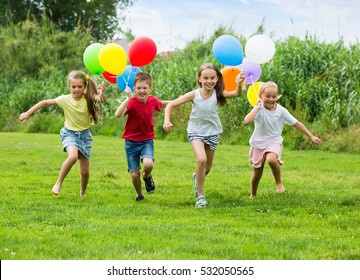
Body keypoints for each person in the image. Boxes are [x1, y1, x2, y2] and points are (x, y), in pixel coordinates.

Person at [163, 63, 246, 208]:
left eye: (212, 78)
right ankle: (201, 196)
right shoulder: (194, 94)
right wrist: (167, 121)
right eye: (205, 78)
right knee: (201, 159)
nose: (209, 81)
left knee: (206, 168)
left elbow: (236, 94)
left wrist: (238, 84)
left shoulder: (218, 94)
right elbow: (170, 105)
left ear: (217, 79)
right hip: (195, 131)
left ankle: (197, 177)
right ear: (199, 79)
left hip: (213, 132)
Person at [19, 70, 106, 198]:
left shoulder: (88, 98)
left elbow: (101, 100)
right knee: (72, 156)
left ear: (84, 87)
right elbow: (45, 102)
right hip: (69, 134)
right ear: (69, 86)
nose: (76, 89)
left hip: (84, 136)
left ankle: (82, 191)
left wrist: (100, 93)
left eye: (80, 86)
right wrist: (27, 113)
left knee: (85, 172)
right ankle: (58, 183)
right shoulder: (65, 99)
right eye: (74, 86)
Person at [243, 81, 323, 197]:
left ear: (277, 96)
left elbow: (296, 123)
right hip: (258, 143)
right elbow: (246, 121)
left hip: (274, 141)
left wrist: (311, 136)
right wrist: (256, 108)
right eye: (268, 96)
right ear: (260, 96)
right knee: (256, 174)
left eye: (274, 96)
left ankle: (279, 183)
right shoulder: (258, 109)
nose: (271, 99)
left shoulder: (281, 111)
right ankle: (253, 194)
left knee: (271, 159)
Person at [115, 72, 171, 202]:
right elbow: (118, 114)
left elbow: (162, 103)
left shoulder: (152, 101)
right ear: (134, 88)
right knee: (134, 175)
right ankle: (139, 194)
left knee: (148, 163)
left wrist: (180, 100)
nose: (141, 91)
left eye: (145, 88)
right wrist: (128, 98)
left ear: (150, 88)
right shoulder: (132, 102)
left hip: (146, 140)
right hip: (131, 142)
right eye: (139, 88)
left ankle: (146, 176)